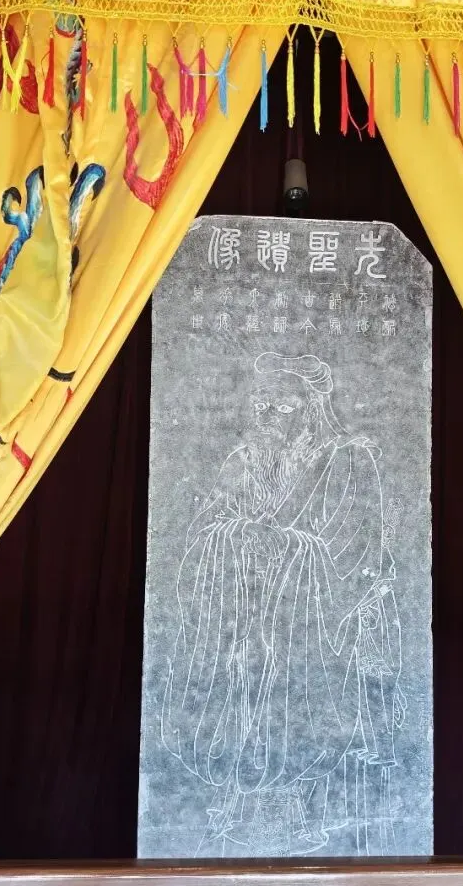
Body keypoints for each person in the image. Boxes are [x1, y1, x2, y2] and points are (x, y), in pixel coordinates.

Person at [161, 351, 403, 860]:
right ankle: (238, 808)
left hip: (307, 624)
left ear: (312, 409)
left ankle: (290, 814)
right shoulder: (244, 462)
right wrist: (236, 540)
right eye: (262, 405)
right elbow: (203, 532)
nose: (269, 415)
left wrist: (287, 549)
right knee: (237, 690)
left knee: (292, 702)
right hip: (240, 617)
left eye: (284, 407)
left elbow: (354, 549)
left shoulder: (346, 462)